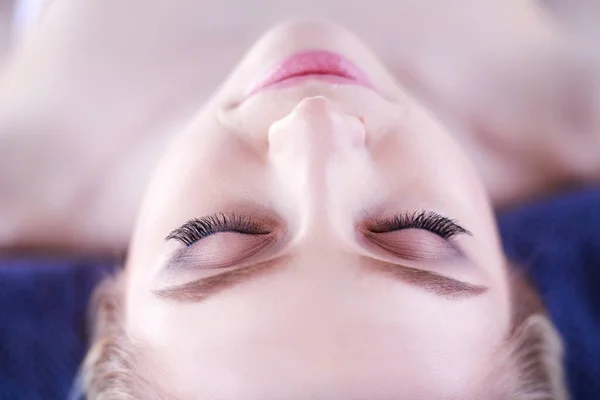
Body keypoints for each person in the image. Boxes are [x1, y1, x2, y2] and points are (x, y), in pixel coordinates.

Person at [1, 1, 599, 399]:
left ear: (114, 305)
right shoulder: (577, 108)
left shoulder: (18, 173)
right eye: (414, 231)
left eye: (219, 236)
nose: (315, 127)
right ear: (517, 287)